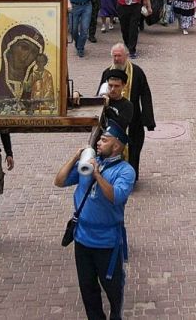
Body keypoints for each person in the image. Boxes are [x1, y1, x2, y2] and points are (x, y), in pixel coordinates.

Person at [53, 124, 137, 320]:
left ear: (116, 147)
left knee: (113, 290)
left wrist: (97, 175)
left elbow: (115, 196)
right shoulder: (89, 162)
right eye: (99, 139)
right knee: (88, 291)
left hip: (107, 242)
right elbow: (59, 181)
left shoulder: (125, 171)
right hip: (82, 240)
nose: (99, 142)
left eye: (104, 140)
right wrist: (76, 157)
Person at [105, 43, 155, 178]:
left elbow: (145, 94)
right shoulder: (107, 72)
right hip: (113, 120)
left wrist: (148, 119)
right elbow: (100, 93)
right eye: (114, 56)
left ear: (126, 56)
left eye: (119, 56)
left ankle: (130, 178)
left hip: (133, 120)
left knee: (133, 150)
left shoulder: (137, 72)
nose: (116, 59)